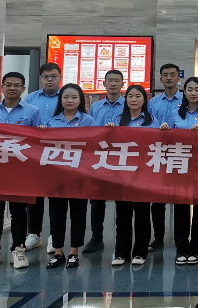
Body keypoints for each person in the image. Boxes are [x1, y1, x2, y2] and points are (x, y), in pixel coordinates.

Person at [0, 72, 41, 270]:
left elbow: (39, 141)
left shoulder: (32, 112)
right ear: (2, 87)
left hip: (20, 170)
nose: (13, 88)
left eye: (17, 85)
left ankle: (18, 249)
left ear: (23, 89)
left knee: (18, 211)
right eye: (9, 84)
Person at [161, 76, 198, 265]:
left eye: (197, 90)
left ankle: (196, 249)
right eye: (190, 89)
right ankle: (181, 248)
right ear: (184, 92)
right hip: (180, 166)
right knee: (181, 209)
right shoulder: (175, 114)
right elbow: (166, 140)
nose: (193, 93)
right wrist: (165, 129)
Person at [41, 83, 96, 269]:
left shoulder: (88, 121)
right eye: (66, 97)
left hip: (80, 176)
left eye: (74, 97)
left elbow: (94, 146)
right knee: (56, 215)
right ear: (61, 100)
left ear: (80, 100)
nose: (70, 101)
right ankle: (58, 252)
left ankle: (74, 252)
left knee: (78, 214)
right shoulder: (51, 122)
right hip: (57, 176)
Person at [108, 85, 159, 267]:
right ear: (126, 99)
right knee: (122, 215)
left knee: (142, 214)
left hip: (143, 174)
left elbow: (156, 145)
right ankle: (121, 253)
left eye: (138, 96)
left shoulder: (152, 121)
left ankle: (140, 252)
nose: (134, 99)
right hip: (122, 174)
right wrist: (109, 131)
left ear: (144, 100)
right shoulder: (117, 120)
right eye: (130, 96)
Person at [82, 69, 125, 254]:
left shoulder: (129, 104)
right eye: (110, 81)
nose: (113, 84)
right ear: (104, 83)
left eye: (117, 80)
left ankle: (122, 239)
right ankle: (96, 237)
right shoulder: (95, 107)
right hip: (99, 158)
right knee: (97, 201)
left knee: (122, 201)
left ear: (122, 84)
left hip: (122, 158)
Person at [24, 62, 62, 255]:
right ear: (40, 78)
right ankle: (34, 234)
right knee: (34, 195)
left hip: (59, 153)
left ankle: (55, 236)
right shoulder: (30, 98)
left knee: (56, 196)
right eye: (46, 76)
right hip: (35, 153)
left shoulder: (67, 96)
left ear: (60, 77)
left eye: (54, 76)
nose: (50, 80)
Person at [147, 63, 183, 253]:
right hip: (158, 153)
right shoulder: (153, 102)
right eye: (165, 75)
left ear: (178, 78)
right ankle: (158, 237)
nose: (169, 78)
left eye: (172, 75)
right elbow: (147, 124)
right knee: (157, 199)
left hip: (180, 154)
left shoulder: (186, 99)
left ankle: (180, 238)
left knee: (179, 198)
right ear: (160, 79)